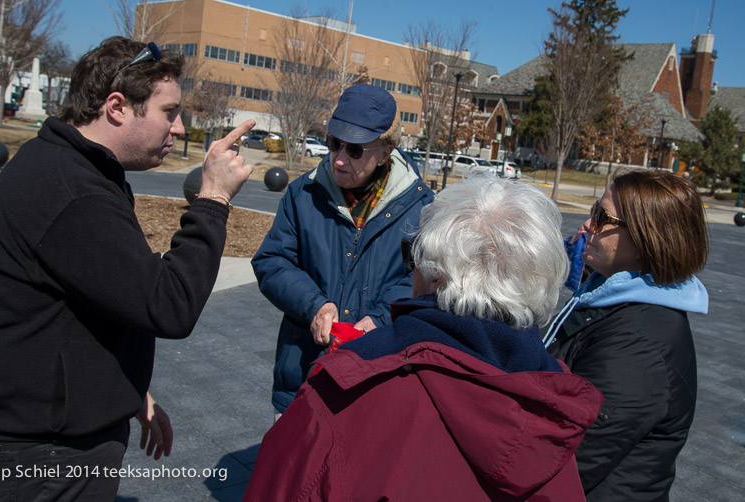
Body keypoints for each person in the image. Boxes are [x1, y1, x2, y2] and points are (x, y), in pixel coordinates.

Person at [0, 37, 254, 500]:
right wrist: (213, 200)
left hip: (52, 435)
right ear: (116, 106)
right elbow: (169, 305)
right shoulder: (71, 190)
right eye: (168, 112)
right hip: (43, 450)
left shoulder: (80, 170)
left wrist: (131, 392)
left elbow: (102, 296)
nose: (178, 128)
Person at [244, 176, 603, 501]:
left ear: (436, 276)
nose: (409, 268)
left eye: (411, 254)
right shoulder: (557, 411)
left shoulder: (344, 392)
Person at [251, 83, 434, 416]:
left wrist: (380, 319)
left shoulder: (421, 209)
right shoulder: (301, 194)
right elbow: (272, 261)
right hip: (304, 372)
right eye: (334, 143)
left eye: (355, 149)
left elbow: (423, 279)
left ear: (385, 151)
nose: (338, 158)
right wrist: (315, 305)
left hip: (376, 379)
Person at [543, 170, 710, 500]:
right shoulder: (606, 298)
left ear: (648, 238)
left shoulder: (639, 345)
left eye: (603, 217)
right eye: (594, 210)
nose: (589, 224)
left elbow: (570, 458)